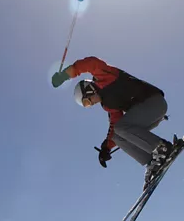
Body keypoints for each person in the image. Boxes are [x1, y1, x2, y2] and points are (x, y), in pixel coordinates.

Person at [51, 56, 174, 189]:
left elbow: (91, 63)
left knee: (121, 128)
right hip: (147, 114)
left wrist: (65, 75)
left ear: (89, 90)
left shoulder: (105, 78)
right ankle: (152, 161)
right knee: (117, 136)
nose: (90, 105)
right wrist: (106, 148)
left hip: (154, 103)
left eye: (87, 102)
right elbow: (114, 126)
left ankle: (162, 148)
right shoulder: (108, 106)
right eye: (86, 105)